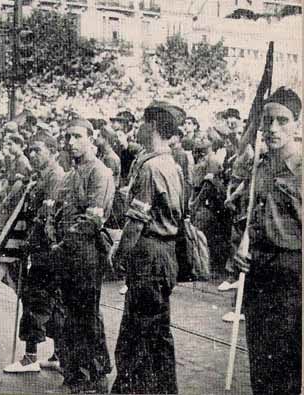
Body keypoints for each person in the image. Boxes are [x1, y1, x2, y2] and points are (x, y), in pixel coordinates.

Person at [111, 102, 186, 394]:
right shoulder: (171, 165)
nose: (138, 128)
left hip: (149, 255)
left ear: (153, 126)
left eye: (143, 122)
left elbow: (136, 222)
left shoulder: (152, 167)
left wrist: (118, 255)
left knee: (136, 336)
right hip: (164, 255)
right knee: (157, 334)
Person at [238, 87, 301, 394]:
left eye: (282, 120)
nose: (273, 128)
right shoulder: (260, 166)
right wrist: (243, 245)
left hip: (291, 272)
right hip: (259, 269)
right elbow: (251, 216)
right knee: (260, 357)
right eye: (268, 120)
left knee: (286, 362)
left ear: (297, 125)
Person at [49, 119, 115, 393]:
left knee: (86, 314)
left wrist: (62, 244)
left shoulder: (100, 173)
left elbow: (92, 220)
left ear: (92, 138)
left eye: (77, 136)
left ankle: (96, 375)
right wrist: (51, 230)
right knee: (69, 315)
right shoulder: (70, 174)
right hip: (66, 252)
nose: (71, 142)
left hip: (86, 252)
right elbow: (56, 210)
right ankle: (75, 374)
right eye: (68, 137)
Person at [3, 131, 65, 374]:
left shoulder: (54, 178)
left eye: (38, 150)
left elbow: (46, 218)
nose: (33, 155)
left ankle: (30, 357)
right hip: (41, 249)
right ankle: (57, 353)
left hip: (43, 250)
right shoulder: (41, 177)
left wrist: (30, 243)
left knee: (36, 302)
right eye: (30, 151)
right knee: (47, 302)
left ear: (52, 151)